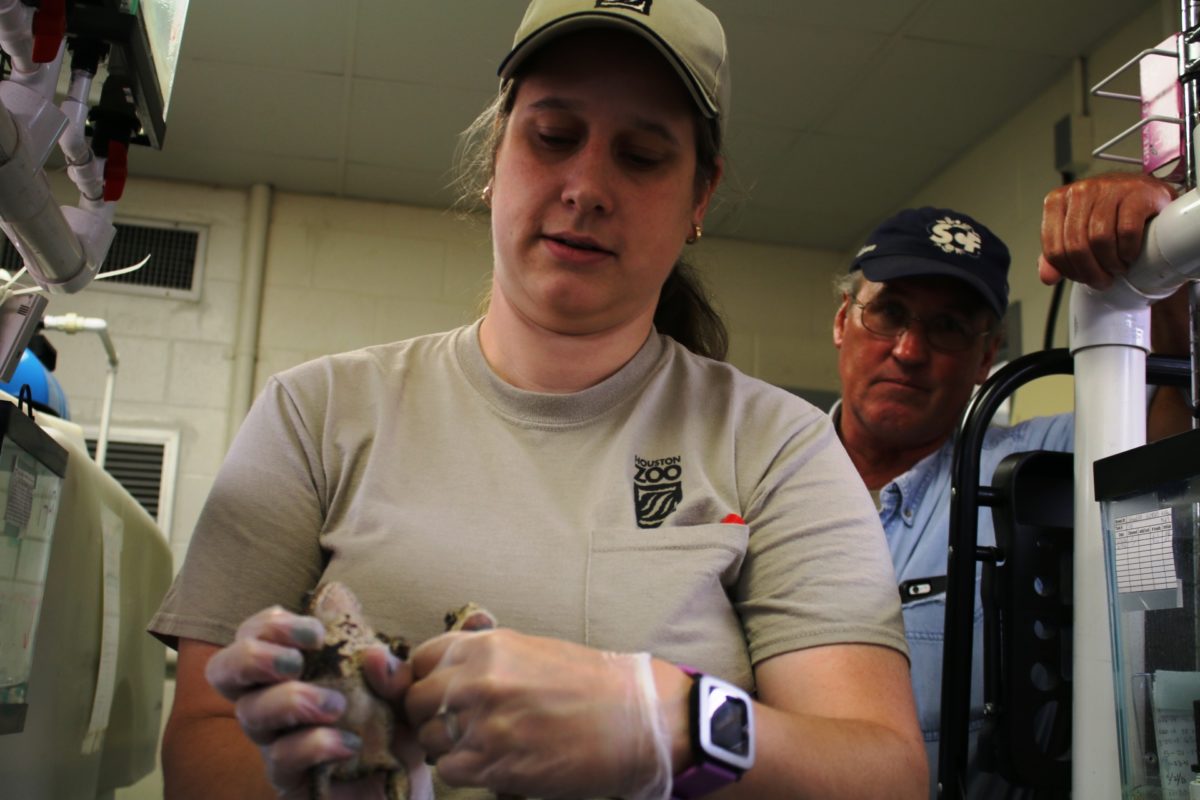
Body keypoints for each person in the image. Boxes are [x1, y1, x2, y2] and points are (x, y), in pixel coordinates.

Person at [150, 1, 927, 798]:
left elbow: (884, 773)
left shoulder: (776, 444)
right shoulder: (315, 415)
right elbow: (201, 744)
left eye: (643, 155)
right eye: (553, 137)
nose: (587, 187)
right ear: (495, 156)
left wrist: (671, 720)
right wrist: (325, 776)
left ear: (701, 196)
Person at [830, 172, 1193, 798]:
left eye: (948, 327)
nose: (910, 350)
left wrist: (1159, 251)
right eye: (889, 313)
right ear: (844, 321)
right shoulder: (761, 467)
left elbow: (1167, 440)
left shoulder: (1031, 466)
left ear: (985, 356)